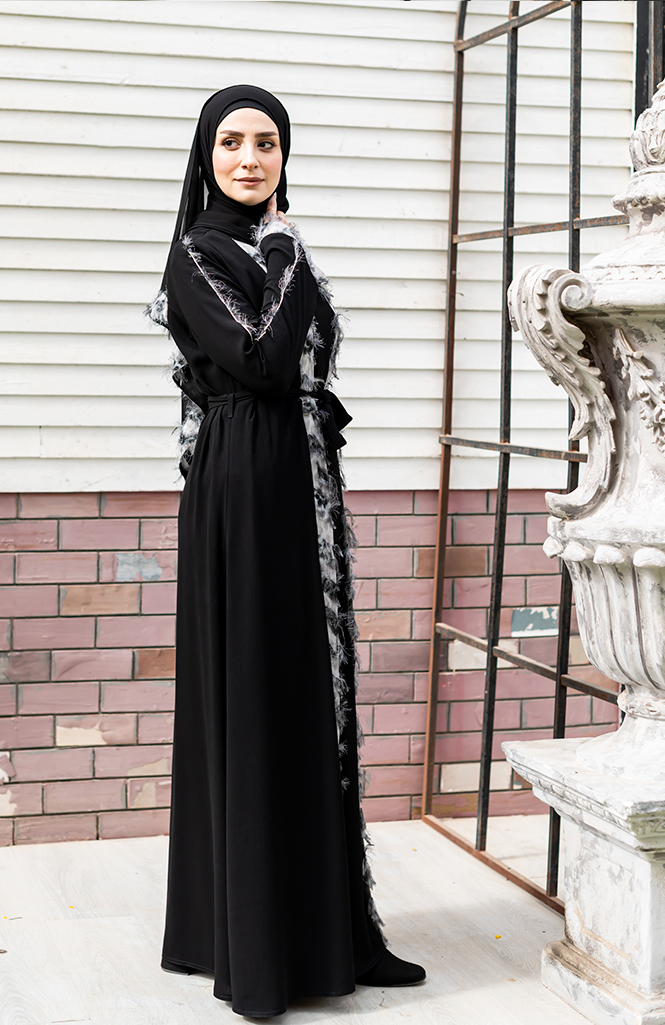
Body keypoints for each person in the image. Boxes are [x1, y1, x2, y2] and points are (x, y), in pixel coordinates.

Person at [147, 84, 426, 1019]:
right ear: (206, 154)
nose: (249, 158)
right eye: (231, 141)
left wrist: (281, 255)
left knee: (312, 697)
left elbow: (300, 363)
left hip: (297, 481)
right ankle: (260, 954)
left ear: (282, 156)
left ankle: (337, 935)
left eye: (266, 143)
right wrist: (287, 252)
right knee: (261, 692)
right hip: (246, 485)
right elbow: (262, 361)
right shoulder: (199, 251)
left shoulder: (266, 246)